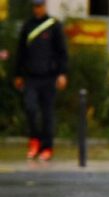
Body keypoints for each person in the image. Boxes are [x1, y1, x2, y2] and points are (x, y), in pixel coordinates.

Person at [14, 0, 68, 161]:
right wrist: (18, 74)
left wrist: (62, 73)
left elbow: (62, 52)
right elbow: (20, 51)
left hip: (49, 76)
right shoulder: (28, 26)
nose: (37, 9)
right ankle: (34, 140)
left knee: (47, 113)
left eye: (40, 6)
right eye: (35, 6)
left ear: (44, 7)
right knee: (30, 108)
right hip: (31, 76)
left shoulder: (54, 26)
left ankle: (47, 147)